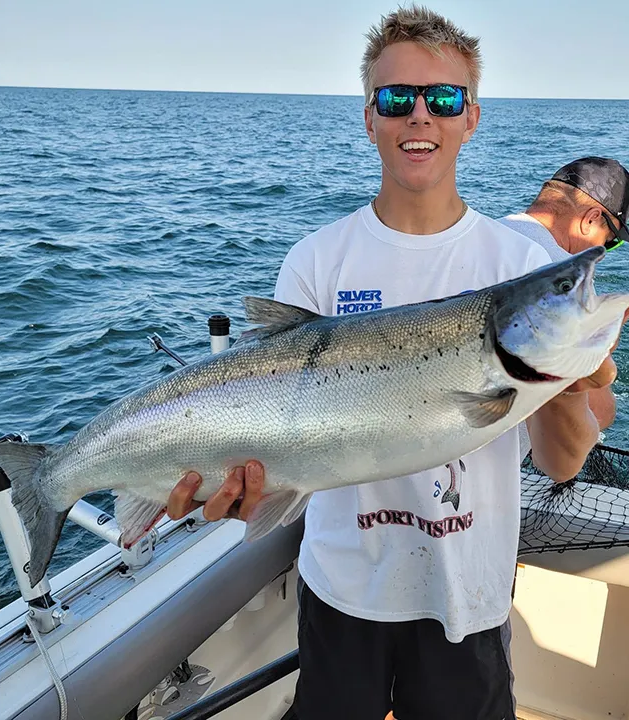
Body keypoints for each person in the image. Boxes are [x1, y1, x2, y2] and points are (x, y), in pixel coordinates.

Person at [166, 7, 615, 719]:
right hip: (342, 587)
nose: (420, 117)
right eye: (396, 98)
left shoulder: (520, 261)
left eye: (442, 99)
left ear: (471, 117)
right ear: (368, 117)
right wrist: (244, 488)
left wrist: (569, 380)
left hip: (468, 597)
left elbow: (561, 466)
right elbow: (279, 448)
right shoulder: (317, 259)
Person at [499, 157, 629, 434]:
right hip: (486, 467)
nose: (604, 253)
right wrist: (600, 349)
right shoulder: (564, 280)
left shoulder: (482, 231)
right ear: (591, 219)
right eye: (611, 241)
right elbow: (597, 413)